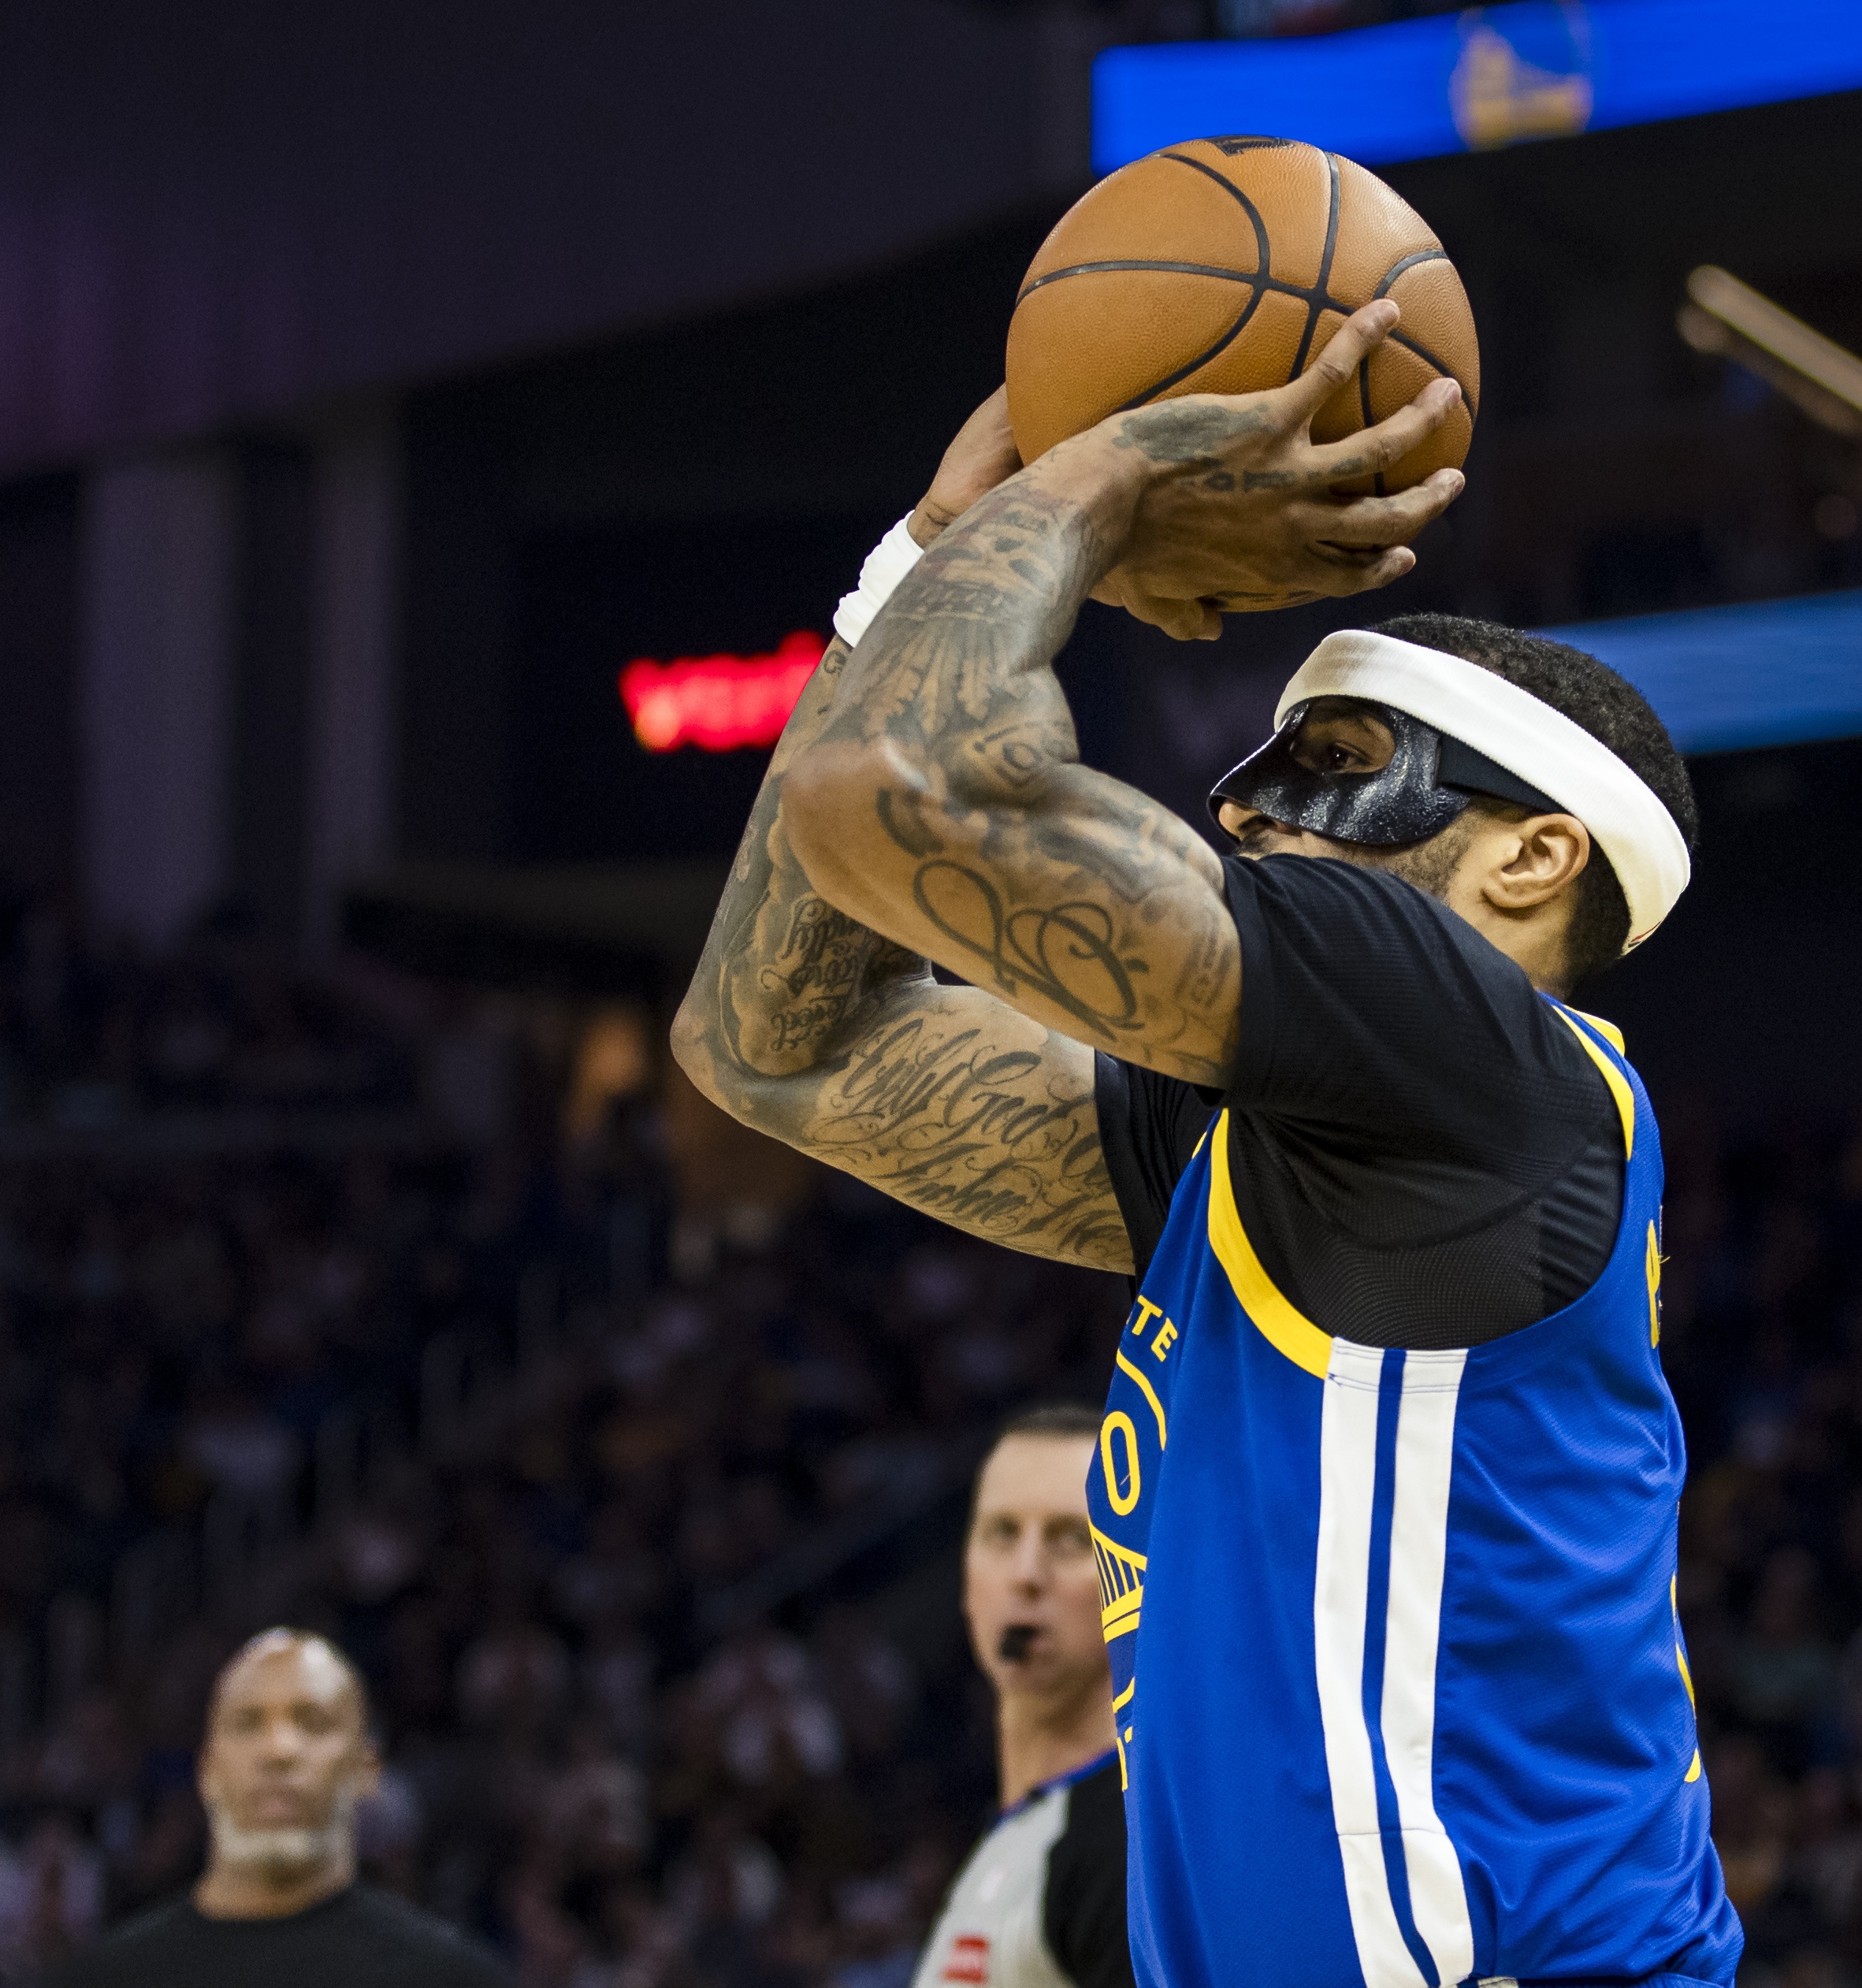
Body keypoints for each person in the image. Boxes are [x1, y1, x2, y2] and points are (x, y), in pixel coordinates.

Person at [675, 300, 1737, 1988]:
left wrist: (1110, 468)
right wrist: (924, 563)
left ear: (1530, 859)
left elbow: (901, 787)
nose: (1241, 803)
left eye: (1334, 766)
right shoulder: (1294, 1144)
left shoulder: (1470, 1049)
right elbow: (769, 1044)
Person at [55, 1629, 508, 1988]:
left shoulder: (453, 1978)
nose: (278, 1751)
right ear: (208, 1768)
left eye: (313, 1723)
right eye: (248, 1724)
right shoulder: (107, 1978)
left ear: (364, 1768)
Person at [911, 1405, 1132, 1988]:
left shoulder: (1129, 1842)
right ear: (966, 1580)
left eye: (1072, 1539)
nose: (1026, 1573)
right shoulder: (1022, 1835)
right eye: (1002, 1533)